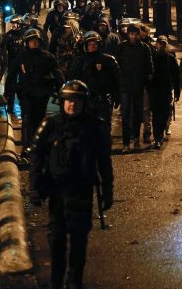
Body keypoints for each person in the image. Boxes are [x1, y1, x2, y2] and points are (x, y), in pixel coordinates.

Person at [30, 81, 114, 289]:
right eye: (68, 100)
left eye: (76, 101)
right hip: (57, 190)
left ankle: (74, 280)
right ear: (62, 102)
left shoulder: (95, 127)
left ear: (83, 103)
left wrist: (108, 189)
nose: (72, 105)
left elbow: (104, 160)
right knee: (56, 238)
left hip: (81, 190)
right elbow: (37, 157)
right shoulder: (51, 125)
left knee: (78, 239)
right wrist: (34, 186)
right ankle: (56, 280)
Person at [7, 28, 64, 153]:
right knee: (27, 119)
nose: (34, 43)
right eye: (31, 41)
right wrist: (9, 95)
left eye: (36, 41)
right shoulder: (21, 57)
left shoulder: (47, 57)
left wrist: (62, 92)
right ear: (26, 42)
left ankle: (37, 145)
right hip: (26, 94)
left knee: (39, 119)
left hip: (42, 94)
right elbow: (11, 76)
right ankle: (26, 147)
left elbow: (58, 75)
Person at [115, 23, 153, 153]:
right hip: (125, 86)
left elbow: (149, 67)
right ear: (128, 34)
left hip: (138, 86)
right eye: (131, 33)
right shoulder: (122, 47)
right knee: (125, 114)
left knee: (137, 114)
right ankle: (126, 142)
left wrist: (145, 80)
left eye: (136, 34)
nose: (133, 36)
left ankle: (136, 137)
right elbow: (117, 65)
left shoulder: (144, 48)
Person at [147, 36, 179, 148]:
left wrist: (177, 92)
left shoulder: (170, 58)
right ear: (157, 44)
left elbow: (176, 76)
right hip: (155, 91)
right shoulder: (152, 57)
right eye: (160, 43)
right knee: (156, 115)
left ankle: (159, 135)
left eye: (164, 44)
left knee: (165, 114)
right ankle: (157, 137)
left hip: (166, 91)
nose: (161, 46)